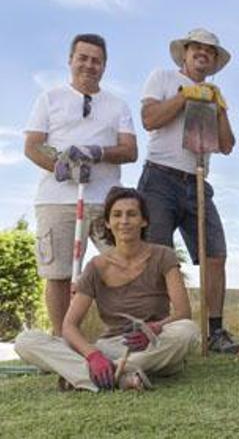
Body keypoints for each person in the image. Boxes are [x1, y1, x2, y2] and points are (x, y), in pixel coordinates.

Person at [15, 187, 199, 392]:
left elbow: (183, 313)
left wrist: (153, 329)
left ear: (144, 221)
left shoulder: (164, 256)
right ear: (108, 223)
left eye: (132, 214)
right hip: (111, 347)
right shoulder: (96, 267)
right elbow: (69, 326)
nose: (124, 221)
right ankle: (120, 377)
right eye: (117, 215)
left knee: (188, 331)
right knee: (26, 341)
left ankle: (98, 375)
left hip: (154, 345)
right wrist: (93, 355)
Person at [23, 33, 137, 337]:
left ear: (104, 66)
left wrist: (98, 153)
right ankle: (64, 342)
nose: (89, 65)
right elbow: (33, 145)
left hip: (104, 202)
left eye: (96, 60)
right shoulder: (50, 99)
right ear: (71, 60)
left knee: (121, 267)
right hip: (56, 200)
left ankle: (124, 335)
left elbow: (130, 150)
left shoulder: (117, 105)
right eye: (83, 58)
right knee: (59, 275)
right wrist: (62, 168)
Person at [137, 28, 239, 353]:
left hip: (196, 179)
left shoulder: (214, 92)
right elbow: (150, 119)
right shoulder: (163, 78)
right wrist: (185, 96)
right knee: (157, 256)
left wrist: (219, 108)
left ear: (213, 61)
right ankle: (159, 329)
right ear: (185, 52)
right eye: (197, 48)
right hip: (160, 179)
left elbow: (226, 145)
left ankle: (216, 331)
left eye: (209, 51)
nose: (203, 54)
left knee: (216, 254)